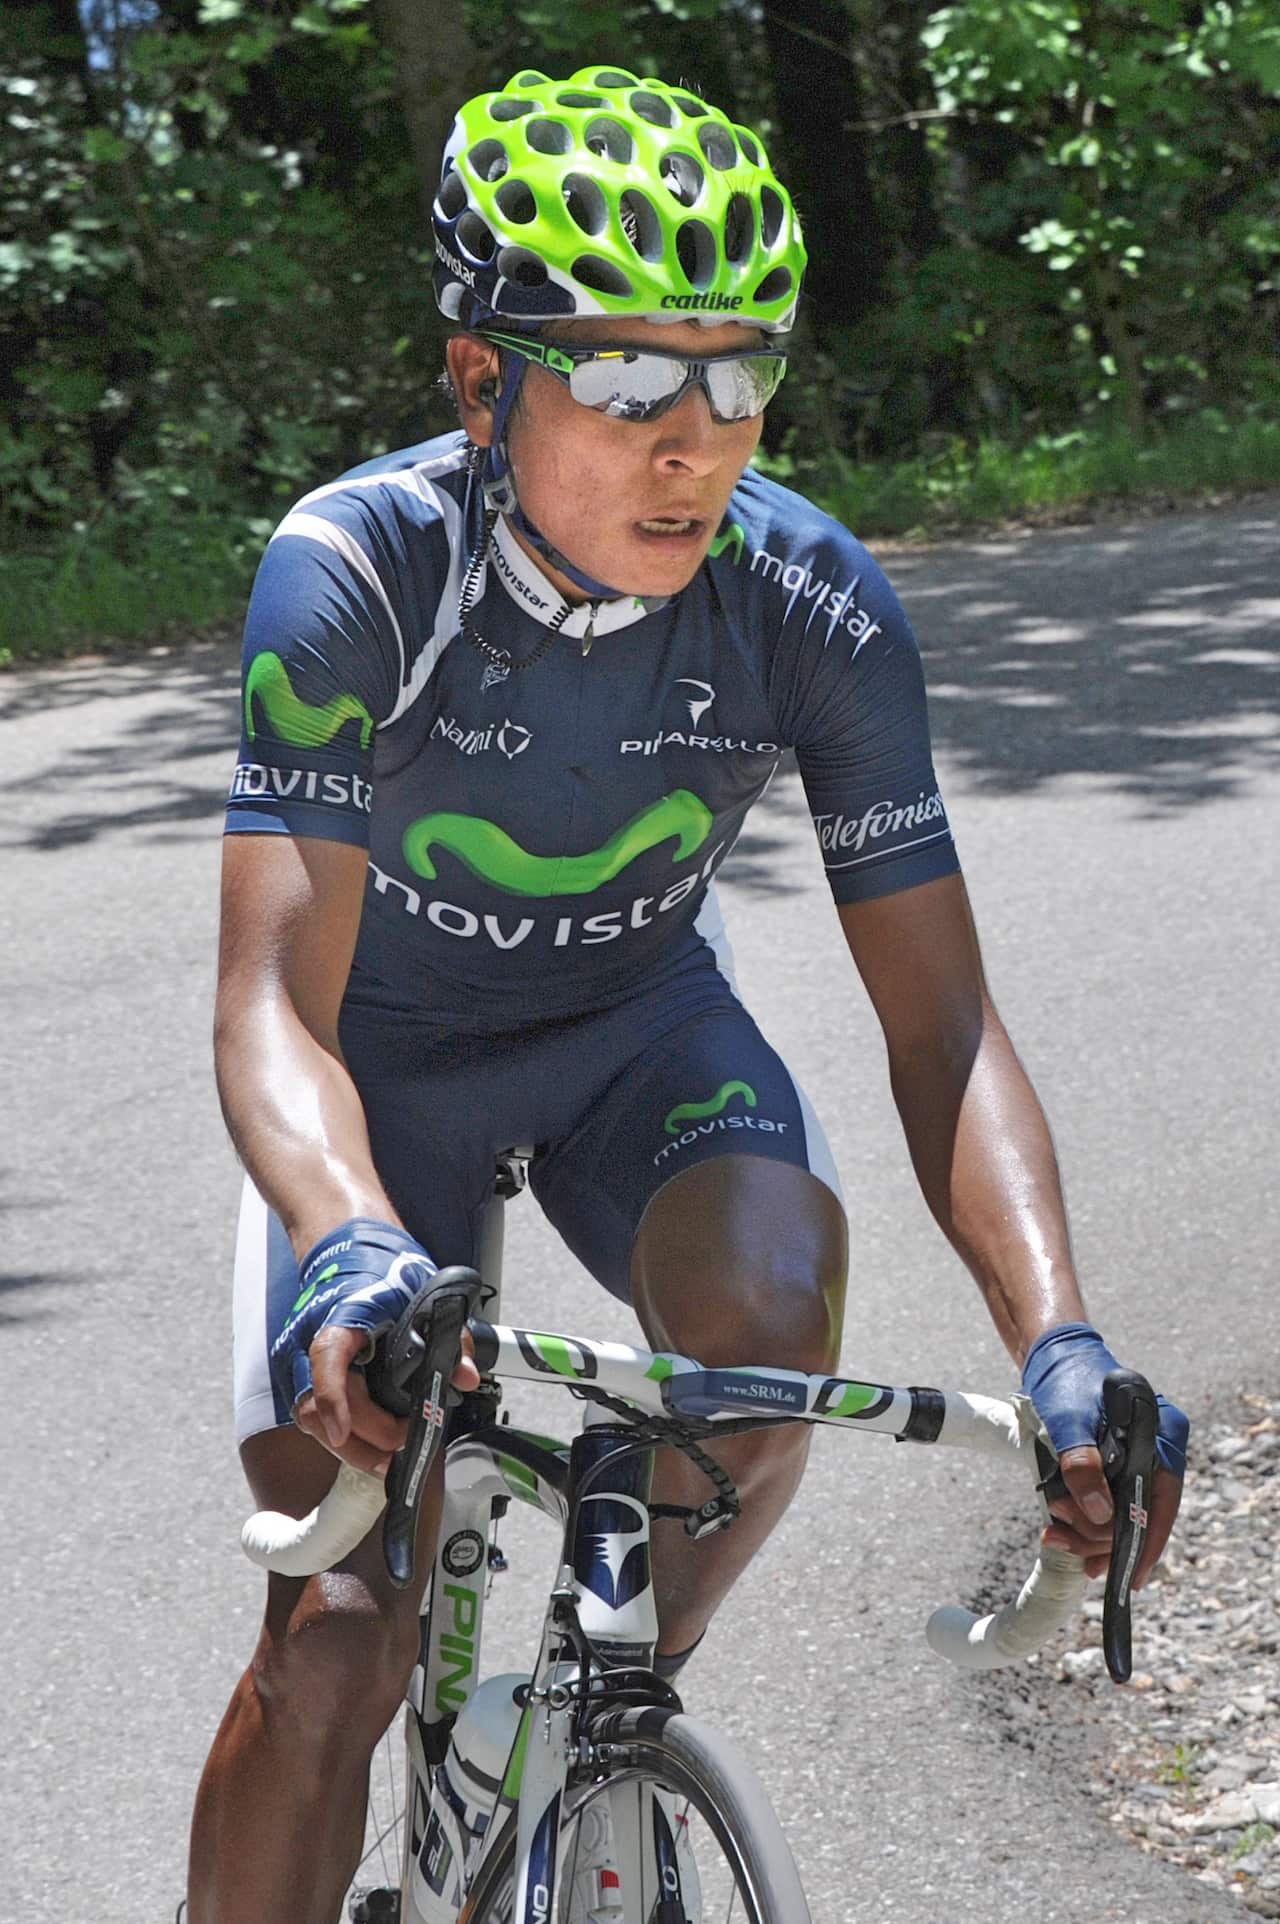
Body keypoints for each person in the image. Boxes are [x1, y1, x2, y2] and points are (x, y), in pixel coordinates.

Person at [188, 62, 1189, 1923]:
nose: (697, 437)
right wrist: (345, 1242)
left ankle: (604, 1713)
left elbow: (941, 1027)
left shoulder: (810, 599)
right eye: (631, 375)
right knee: (337, 1638)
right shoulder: (356, 575)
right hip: (370, 1081)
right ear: (482, 379)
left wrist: (1061, 1340)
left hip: (633, 1043)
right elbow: (268, 1002)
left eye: (741, 373)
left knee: (768, 1321)